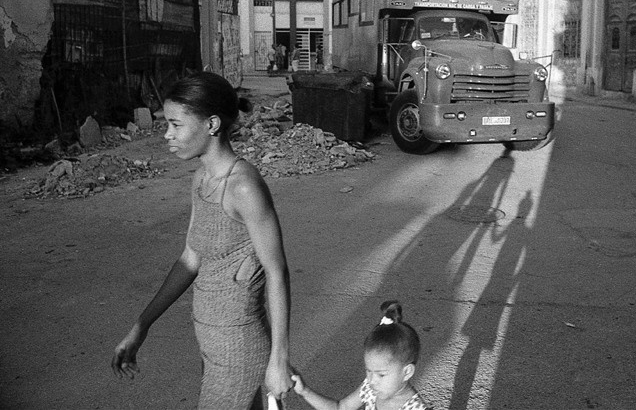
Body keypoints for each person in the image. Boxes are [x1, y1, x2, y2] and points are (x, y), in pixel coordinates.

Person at [111, 71, 293, 409]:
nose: (167, 134)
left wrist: (278, 361)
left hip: (239, 349)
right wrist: (142, 324)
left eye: (176, 125)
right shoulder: (201, 178)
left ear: (211, 124)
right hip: (211, 345)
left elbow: (277, 273)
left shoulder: (244, 188)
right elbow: (190, 259)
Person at [291, 301, 430, 410]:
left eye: (381, 374)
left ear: (407, 372)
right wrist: (305, 391)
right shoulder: (370, 389)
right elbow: (340, 407)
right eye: (368, 371)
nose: (372, 380)